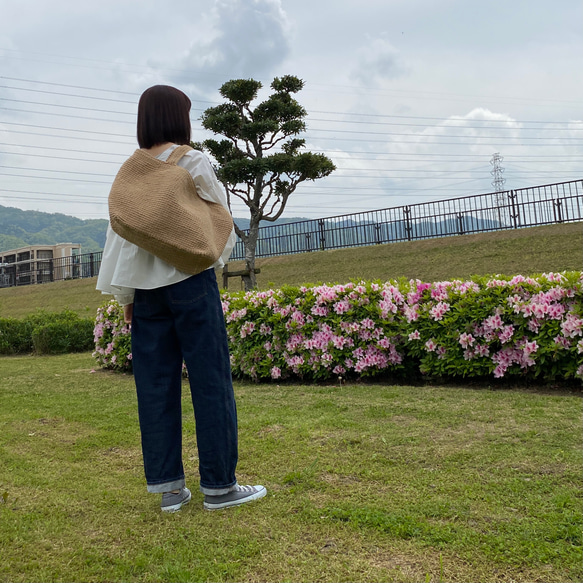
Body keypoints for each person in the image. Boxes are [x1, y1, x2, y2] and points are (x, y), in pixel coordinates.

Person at [97, 85, 266, 512]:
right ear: (180, 117)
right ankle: (219, 487)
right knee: (210, 380)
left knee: (154, 386)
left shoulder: (130, 172)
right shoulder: (192, 161)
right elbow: (218, 221)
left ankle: (169, 489)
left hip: (144, 296)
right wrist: (207, 263)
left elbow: (121, 240)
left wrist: (126, 295)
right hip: (190, 282)